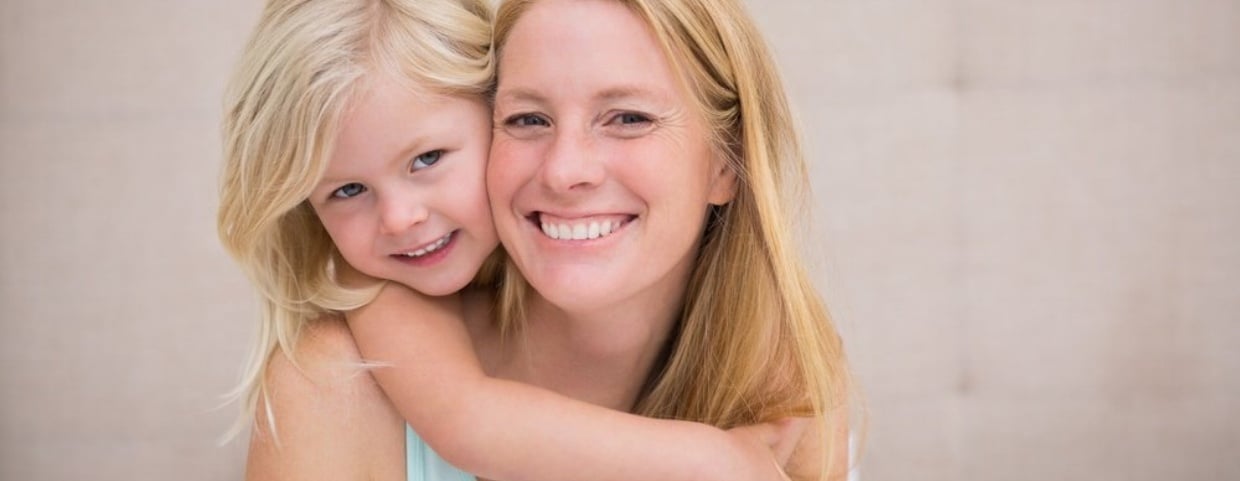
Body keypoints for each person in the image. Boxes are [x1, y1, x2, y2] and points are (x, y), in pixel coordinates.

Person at [218, 0, 803, 480]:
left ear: (728, 164)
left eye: (629, 117)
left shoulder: (773, 362)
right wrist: (711, 459)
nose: (399, 218)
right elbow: (464, 421)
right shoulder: (351, 348)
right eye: (529, 120)